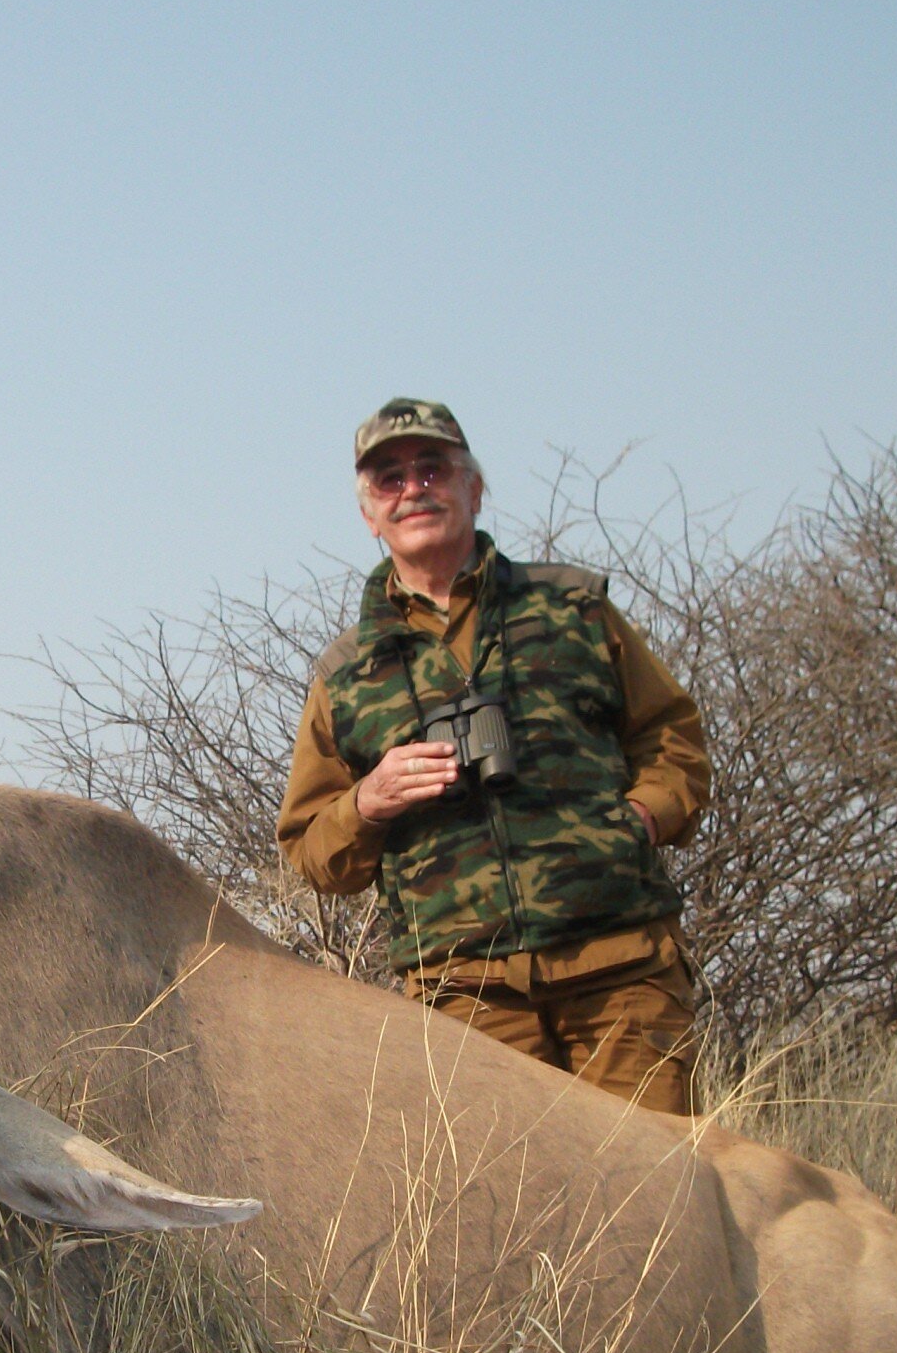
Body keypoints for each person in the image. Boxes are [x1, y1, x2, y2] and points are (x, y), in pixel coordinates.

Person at [278, 398, 710, 1114]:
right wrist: (369, 801)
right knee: (506, 1216)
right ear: (369, 515)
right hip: (463, 995)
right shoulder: (346, 673)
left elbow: (675, 738)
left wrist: (640, 820)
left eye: (433, 468)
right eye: (390, 479)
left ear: (474, 488)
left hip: (621, 964)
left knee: (658, 1199)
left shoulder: (573, 607)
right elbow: (311, 850)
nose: (414, 488)